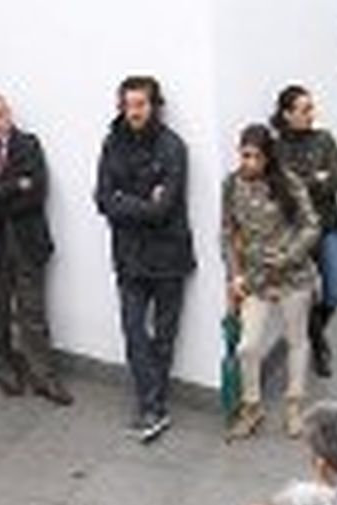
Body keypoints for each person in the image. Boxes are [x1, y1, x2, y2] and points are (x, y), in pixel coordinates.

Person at [96, 75, 196, 443]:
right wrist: (141, 201)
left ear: (154, 106)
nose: (133, 111)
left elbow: (164, 209)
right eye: (127, 104)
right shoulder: (111, 143)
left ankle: (153, 407)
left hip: (169, 255)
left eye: (140, 104)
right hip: (129, 257)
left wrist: (125, 201)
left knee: (164, 336)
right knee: (134, 331)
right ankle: (151, 405)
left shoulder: (173, 147)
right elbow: (102, 198)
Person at [0, 94, 72, 405]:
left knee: (33, 315)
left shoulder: (29, 146)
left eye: (0, 114)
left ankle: (44, 377)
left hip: (27, 244)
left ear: (9, 114)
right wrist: (14, 186)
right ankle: (3, 369)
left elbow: (36, 193)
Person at [222, 123, 320, 441]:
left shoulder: (288, 183)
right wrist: (234, 275)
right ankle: (252, 407)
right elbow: (227, 233)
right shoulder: (231, 184)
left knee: (296, 340)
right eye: (244, 155)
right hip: (256, 279)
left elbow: (311, 225)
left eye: (254, 157)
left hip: (293, 277)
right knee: (248, 347)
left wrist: (289, 255)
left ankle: (294, 407)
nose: (247, 162)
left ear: (267, 158)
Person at [272, 85, 337, 378]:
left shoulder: (324, 140)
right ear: (287, 114)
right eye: (303, 109)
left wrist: (307, 182)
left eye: (310, 108)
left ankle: (315, 334)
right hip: (297, 231)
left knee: (334, 291)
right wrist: (316, 178)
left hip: (327, 224)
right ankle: (319, 345)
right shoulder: (277, 148)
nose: (310, 114)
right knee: (307, 294)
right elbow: (283, 190)